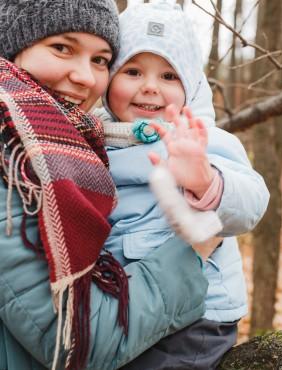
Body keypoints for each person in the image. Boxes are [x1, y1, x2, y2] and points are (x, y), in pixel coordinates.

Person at [0, 1, 215, 369]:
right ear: (12, 47)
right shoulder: (14, 161)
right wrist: (193, 251)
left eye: (100, 60)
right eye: (62, 48)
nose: (85, 77)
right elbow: (81, 341)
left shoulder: (72, 141)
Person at [95, 2, 270, 369]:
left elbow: (252, 201)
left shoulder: (200, 139)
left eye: (169, 76)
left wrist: (206, 182)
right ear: (109, 77)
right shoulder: (97, 142)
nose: (149, 88)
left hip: (196, 317)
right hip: (124, 306)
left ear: (190, 84)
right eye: (133, 70)